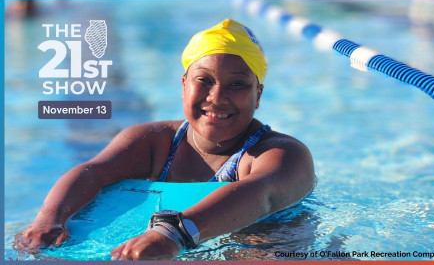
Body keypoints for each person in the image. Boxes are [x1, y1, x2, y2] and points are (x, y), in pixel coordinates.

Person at [14, 19, 316, 260]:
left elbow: (261, 194)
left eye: (237, 84)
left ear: (258, 95)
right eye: (204, 80)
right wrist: (49, 220)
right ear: (184, 85)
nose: (217, 97)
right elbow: (93, 171)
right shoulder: (154, 141)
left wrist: (173, 234)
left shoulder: (282, 154)